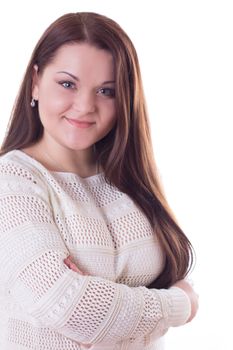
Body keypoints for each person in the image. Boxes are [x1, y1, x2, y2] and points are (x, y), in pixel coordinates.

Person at [0, 12, 198, 350]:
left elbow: (165, 270)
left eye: (106, 91)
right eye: (68, 84)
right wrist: (181, 304)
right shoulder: (12, 181)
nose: (85, 106)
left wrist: (113, 309)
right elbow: (75, 310)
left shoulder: (128, 179)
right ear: (35, 82)